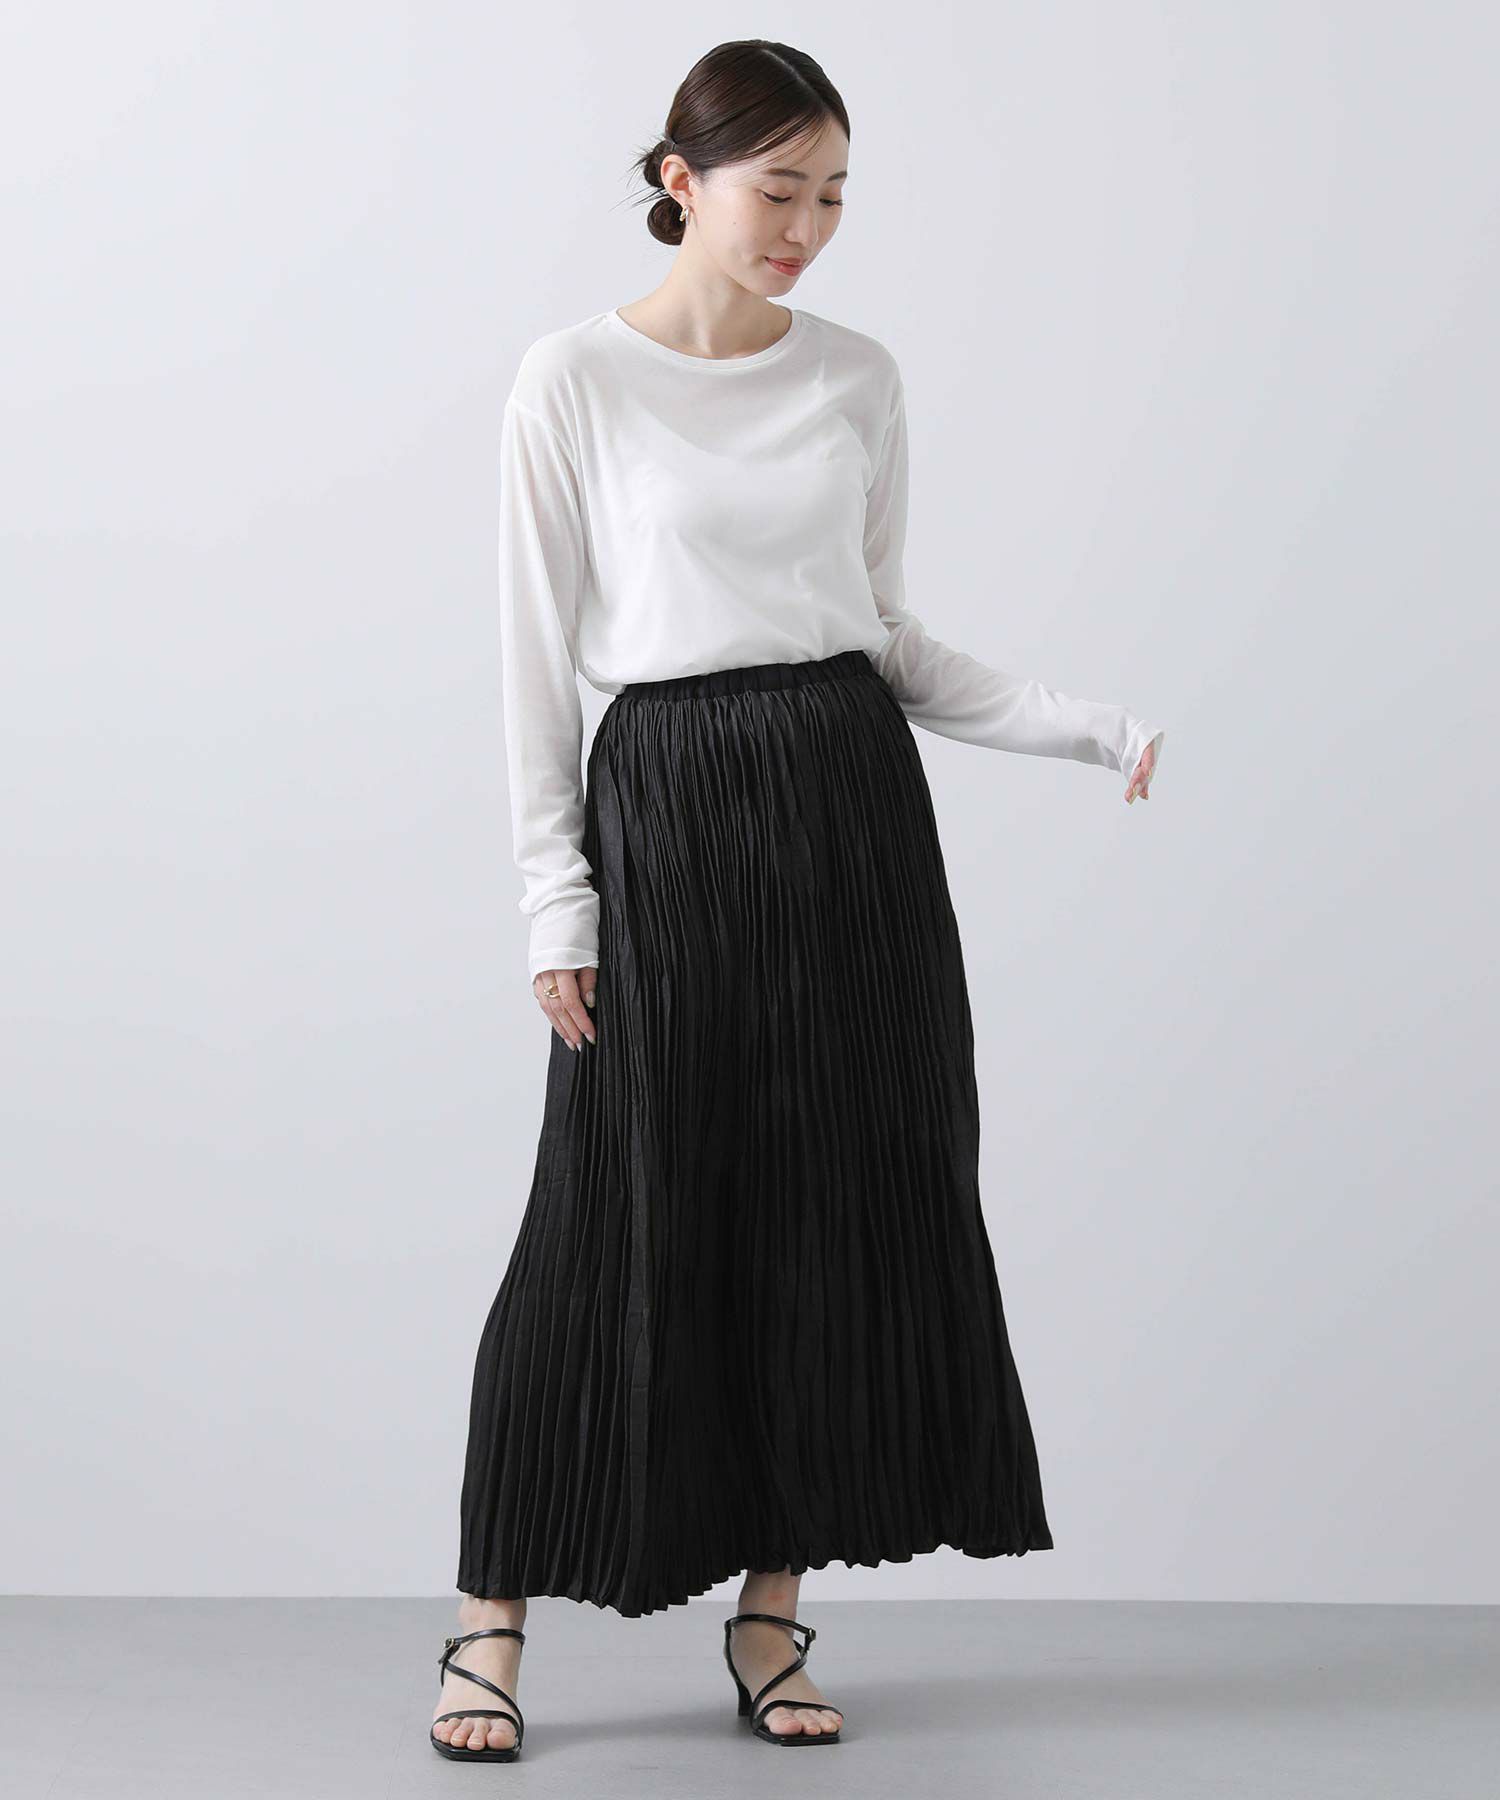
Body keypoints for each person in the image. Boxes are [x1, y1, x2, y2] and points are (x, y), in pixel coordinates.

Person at [432, 39, 1165, 1764]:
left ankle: (771, 1615)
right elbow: (533, 665)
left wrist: (1091, 726)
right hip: (668, 814)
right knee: (605, 1215)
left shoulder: (855, 376)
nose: (809, 228)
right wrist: (557, 906)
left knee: (834, 1213)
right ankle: (488, 1625)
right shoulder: (571, 381)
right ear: (679, 180)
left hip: (849, 813)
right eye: (781, 190)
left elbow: (884, 634)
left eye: (835, 197)